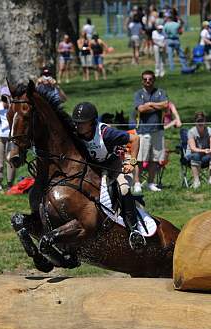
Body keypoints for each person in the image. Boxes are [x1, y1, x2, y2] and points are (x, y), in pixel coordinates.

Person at [71, 102, 144, 250]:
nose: (78, 126)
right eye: (76, 123)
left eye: (82, 123)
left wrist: (132, 161)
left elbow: (135, 139)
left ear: (91, 123)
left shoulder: (106, 133)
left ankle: (133, 230)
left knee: (124, 189)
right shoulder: (75, 132)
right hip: (91, 168)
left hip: (112, 166)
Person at [132, 70, 168, 193]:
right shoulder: (138, 94)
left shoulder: (161, 92)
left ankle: (150, 183)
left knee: (154, 159)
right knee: (140, 159)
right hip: (143, 131)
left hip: (158, 130)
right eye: (145, 79)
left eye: (150, 79)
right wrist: (156, 106)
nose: (148, 81)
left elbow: (165, 105)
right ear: (142, 81)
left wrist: (151, 104)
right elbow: (141, 108)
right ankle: (136, 183)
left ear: (154, 80)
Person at [185, 112, 211, 189]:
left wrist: (210, 150)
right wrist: (204, 151)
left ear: (205, 121)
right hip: (191, 156)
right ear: (195, 122)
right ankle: (196, 181)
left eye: (202, 121)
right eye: (198, 121)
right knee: (196, 155)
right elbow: (193, 148)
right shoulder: (191, 132)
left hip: (205, 155)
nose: (200, 123)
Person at [0, 86, 15, 192]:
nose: (6, 98)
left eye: (7, 95)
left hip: (11, 136)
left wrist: (10, 104)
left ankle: (10, 184)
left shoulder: (13, 106)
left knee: (11, 162)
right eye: (4, 96)